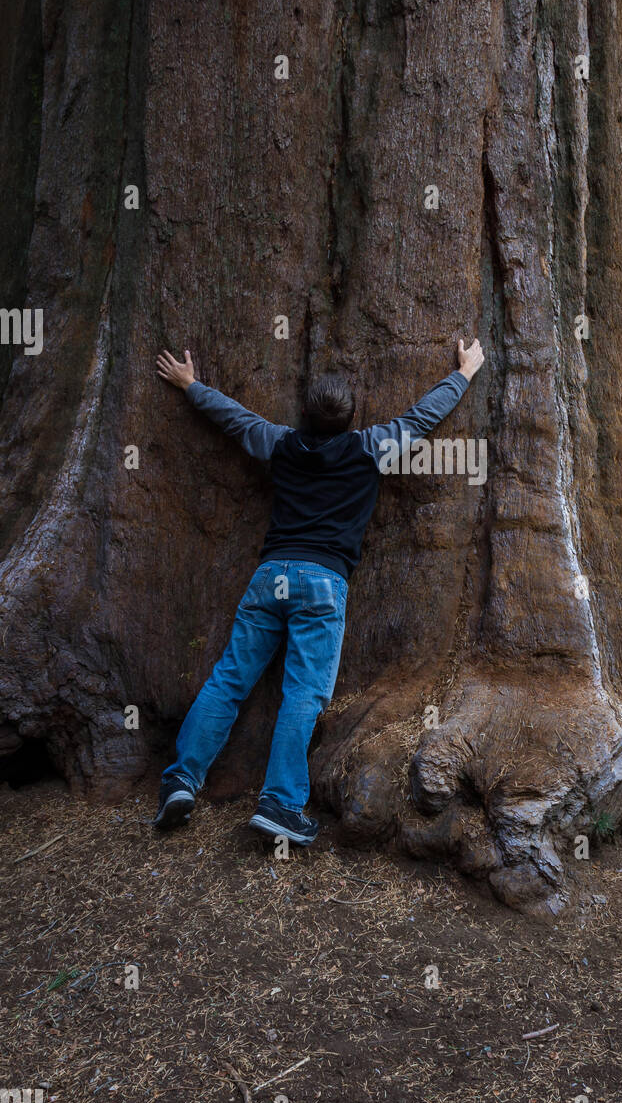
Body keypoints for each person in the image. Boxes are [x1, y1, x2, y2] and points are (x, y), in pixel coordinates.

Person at [152, 336, 485, 846]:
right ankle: (280, 804)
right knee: (303, 694)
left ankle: (181, 779)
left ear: (304, 413)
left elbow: (235, 418)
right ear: (351, 418)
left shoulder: (281, 443)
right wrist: (462, 374)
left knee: (229, 680)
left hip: (272, 575)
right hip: (323, 583)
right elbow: (421, 418)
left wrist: (191, 384)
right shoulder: (369, 447)